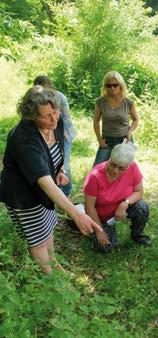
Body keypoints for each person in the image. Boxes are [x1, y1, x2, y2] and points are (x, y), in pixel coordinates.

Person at [0, 86, 101, 274]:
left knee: (47, 228)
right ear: (31, 117)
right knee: (37, 239)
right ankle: (51, 282)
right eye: (46, 116)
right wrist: (76, 214)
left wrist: (60, 170)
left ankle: (55, 266)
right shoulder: (24, 137)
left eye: (55, 112)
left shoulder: (56, 121)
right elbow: (44, 181)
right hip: (23, 196)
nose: (54, 119)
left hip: (45, 193)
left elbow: (58, 150)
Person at [84, 142, 150, 252]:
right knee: (105, 248)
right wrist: (99, 231)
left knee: (142, 207)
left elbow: (139, 192)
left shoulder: (133, 167)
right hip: (101, 216)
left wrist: (124, 204)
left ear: (128, 165)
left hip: (121, 208)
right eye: (113, 165)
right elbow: (90, 207)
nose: (115, 171)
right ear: (110, 159)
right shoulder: (95, 176)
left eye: (121, 168)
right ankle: (78, 221)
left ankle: (137, 235)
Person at [33, 75, 77, 197]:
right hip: (48, 131)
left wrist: (57, 132)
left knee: (65, 165)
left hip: (64, 134)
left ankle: (66, 194)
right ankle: (56, 193)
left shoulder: (60, 97)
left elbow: (66, 118)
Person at [93, 71, 138, 167]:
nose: (112, 88)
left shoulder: (128, 102)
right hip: (107, 141)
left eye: (115, 85)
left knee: (126, 168)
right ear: (105, 87)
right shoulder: (100, 102)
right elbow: (96, 122)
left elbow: (136, 120)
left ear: (120, 85)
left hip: (124, 140)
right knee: (97, 168)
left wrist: (129, 132)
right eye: (108, 85)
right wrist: (99, 139)